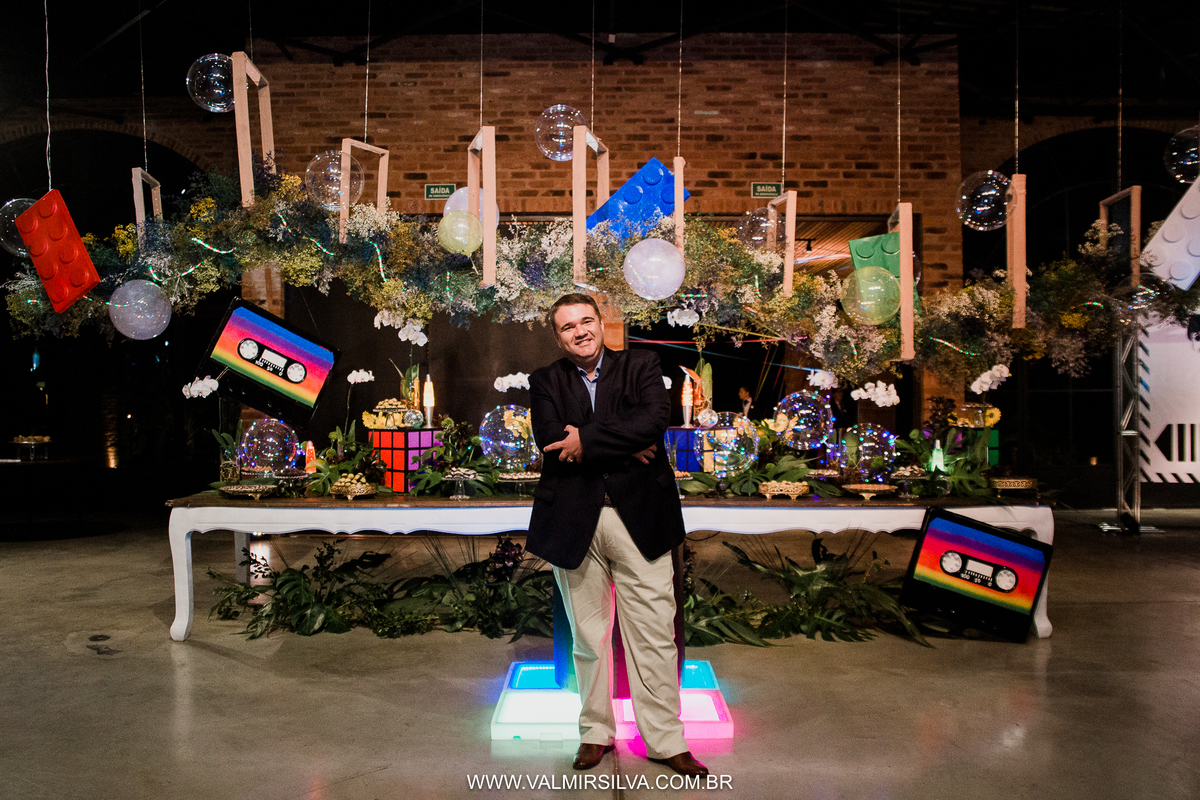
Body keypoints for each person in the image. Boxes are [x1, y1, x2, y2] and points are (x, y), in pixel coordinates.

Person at [526, 293, 708, 778]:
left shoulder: (640, 365)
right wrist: (627, 445)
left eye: (587, 321)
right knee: (588, 637)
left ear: (601, 323)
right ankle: (594, 732)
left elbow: (653, 421)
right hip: (574, 522)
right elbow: (552, 441)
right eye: (568, 326)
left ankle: (666, 740)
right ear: (558, 337)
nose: (580, 331)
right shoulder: (544, 381)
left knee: (654, 635)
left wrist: (585, 439)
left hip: (640, 519)